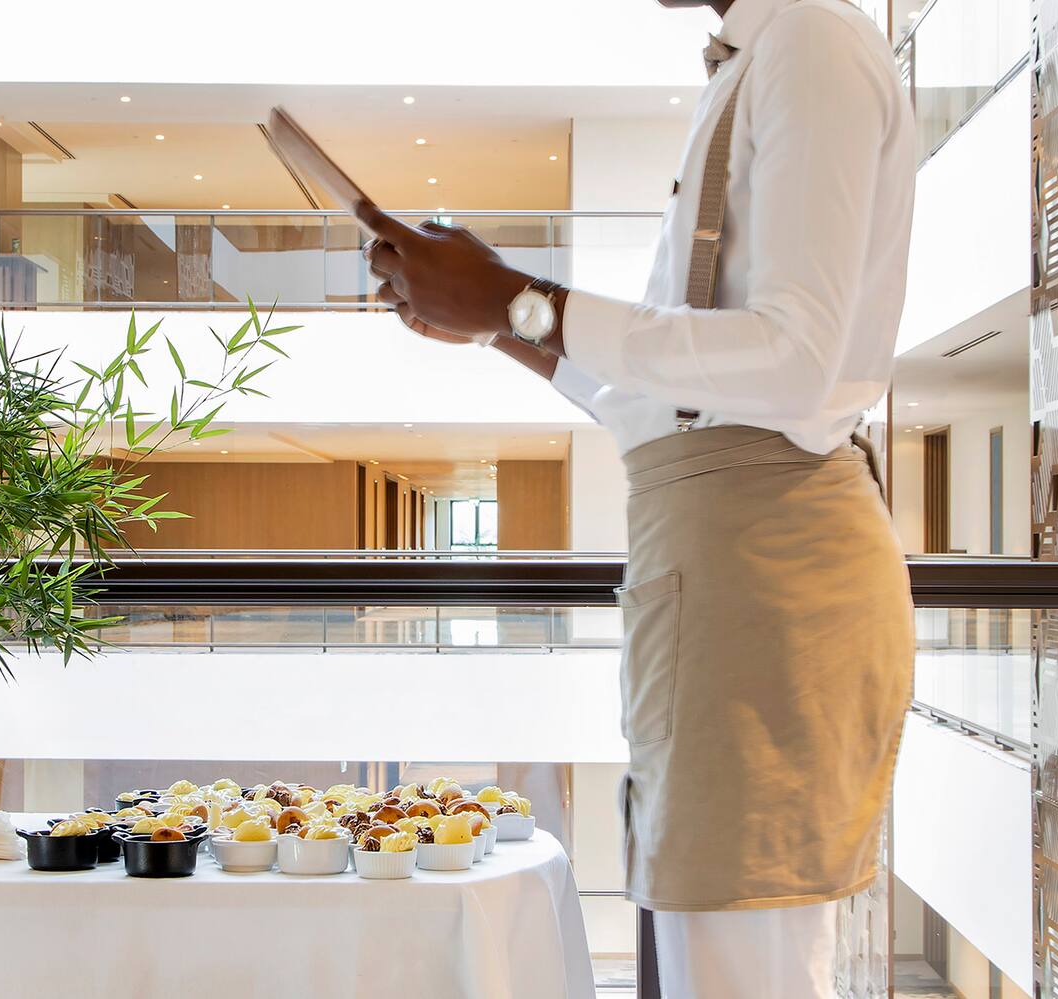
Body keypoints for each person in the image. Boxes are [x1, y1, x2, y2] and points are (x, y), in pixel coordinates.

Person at [360, 0, 915, 994]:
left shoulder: (812, 42)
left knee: (742, 967)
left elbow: (790, 361)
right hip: (716, 569)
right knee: (715, 957)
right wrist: (501, 316)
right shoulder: (770, 55)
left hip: (760, 569)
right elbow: (654, 397)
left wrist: (513, 301)